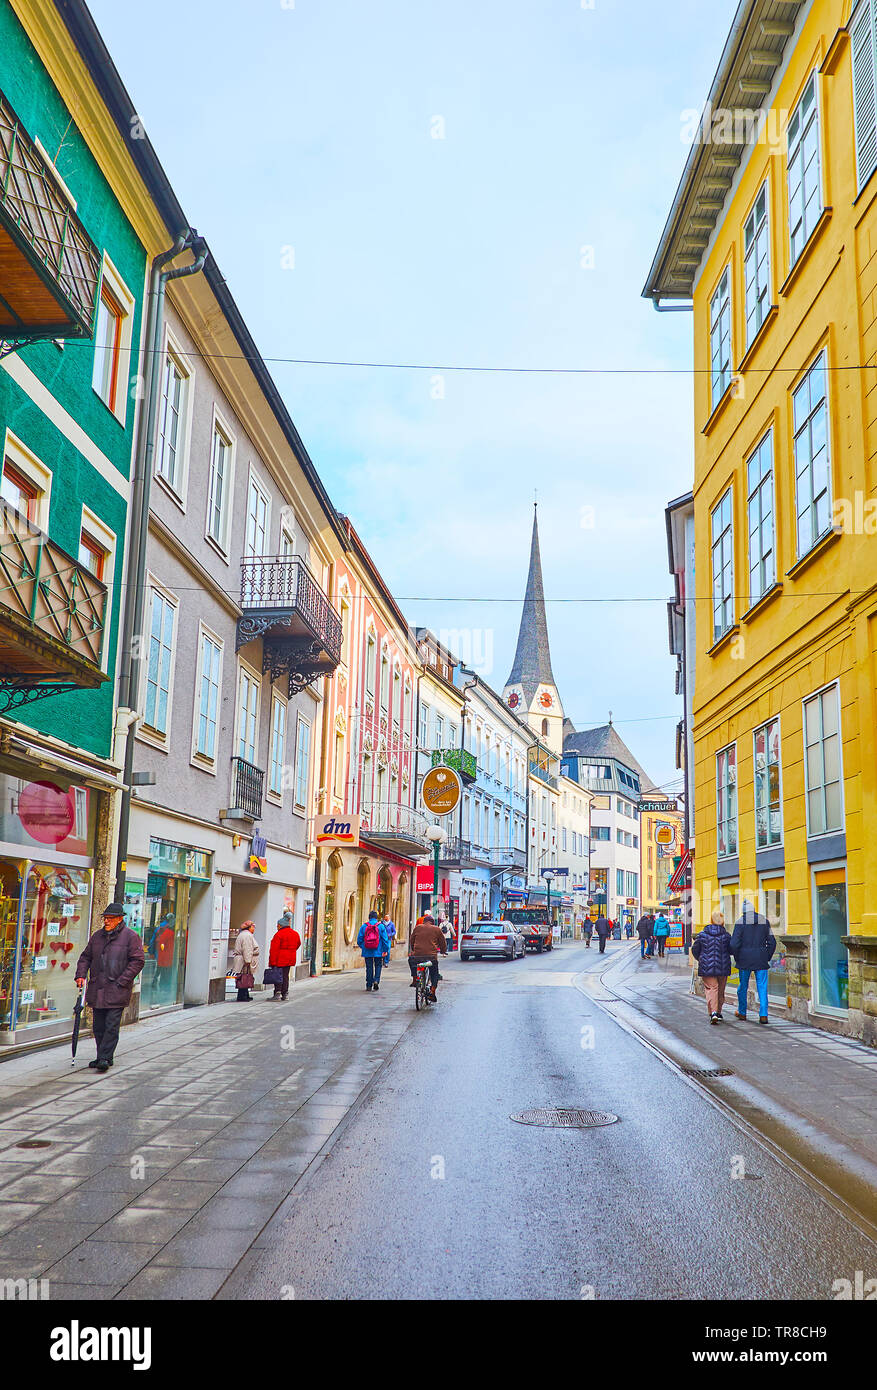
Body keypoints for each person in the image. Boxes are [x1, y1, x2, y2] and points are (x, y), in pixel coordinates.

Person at [74, 902, 145, 1072]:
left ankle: (104, 1058)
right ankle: (103, 1057)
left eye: (110, 918)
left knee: (111, 1026)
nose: (106, 921)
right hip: (97, 988)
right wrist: (81, 975)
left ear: (120, 919)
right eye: (105, 918)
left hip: (117, 989)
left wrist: (122, 981)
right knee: (98, 1027)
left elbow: (138, 961)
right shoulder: (97, 936)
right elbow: (85, 957)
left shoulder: (130, 936)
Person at [730, 900, 776, 1024]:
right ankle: (763, 1015)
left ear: (743, 911)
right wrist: (767, 956)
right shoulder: (764, 922)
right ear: (754, 909)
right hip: (761, 958)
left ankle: (742, 1012)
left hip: (744, 959)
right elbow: (772, 942)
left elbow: (734, 944)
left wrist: (737, 956)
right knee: (762, 986)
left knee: (742, 987)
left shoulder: (740, 922)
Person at [691, 909, 732, 1024]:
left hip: (706, 966)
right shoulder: (726, 935)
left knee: (712, 989)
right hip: (723, 967)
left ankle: (713, 1012)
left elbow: (695, 949)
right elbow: (732, 950)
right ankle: (718, 1012)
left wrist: (701, 959)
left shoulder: (702, 934)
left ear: (711, 920)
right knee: (720, 990)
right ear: (723, 922)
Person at [408, 911, 447, 1001]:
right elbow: (443, 942)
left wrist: (414, 950)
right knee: (434, 973)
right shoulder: (436, 929)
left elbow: (412, 940)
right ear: (432, 923)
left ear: (424, 922)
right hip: (431, 958)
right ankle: (432, 991)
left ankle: (414, 978)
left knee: (411, 960)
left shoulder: (418, 927)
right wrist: (443, 951)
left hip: (417, 957)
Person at [268, 913, 301, 1000]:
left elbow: (274, 949)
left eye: (277, 925)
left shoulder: (279, 935)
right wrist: (291, 951)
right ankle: (285, 993)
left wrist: (272, 962)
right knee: (285, 976)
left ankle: (277, 993)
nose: (277, 927)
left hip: (280, 959)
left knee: (278, 976)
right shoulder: (295, 934)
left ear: (281, 925)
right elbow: (298, 944)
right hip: (290, 959)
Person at [357, 909, 390, 991]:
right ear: (376, 918)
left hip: (367, 950)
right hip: (378, 950)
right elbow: (385, 939)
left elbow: (359, 940)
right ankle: (376, 980)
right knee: (378, 965)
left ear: (369, 917)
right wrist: (385, 950)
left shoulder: (364, 926)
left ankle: (368, 984)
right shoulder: (381, 926)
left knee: (369, 967)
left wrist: (363, 946)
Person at [232, 920, 260, 1001]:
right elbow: (247, 949)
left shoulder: (244, 934)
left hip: (242, 959)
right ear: (249, 927)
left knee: (244, 977)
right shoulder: (247, 936)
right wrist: (248, 961)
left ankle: (244, 994)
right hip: (244, 960)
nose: (254, 928)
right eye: (253, 927)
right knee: (244, 978)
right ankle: (242, 996)